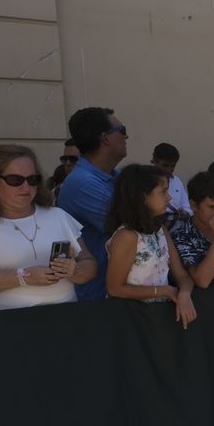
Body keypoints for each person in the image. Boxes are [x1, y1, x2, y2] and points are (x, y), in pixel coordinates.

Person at [0, 144, 97, 311]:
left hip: (64, 319)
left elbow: (89, 264)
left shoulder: (58, 216)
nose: (26, 187)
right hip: (6, 325)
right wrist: (23, 277)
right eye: (15, 180)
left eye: (33, 180)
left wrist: (74, 270)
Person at [104, 165, 197, 327]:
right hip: (130, 318)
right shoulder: (127, 236)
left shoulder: (160, 230)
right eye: (163, 192)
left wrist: (184, 293)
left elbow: (182, 275)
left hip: (157, 316)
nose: (169, 198)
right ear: (142, 197)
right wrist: (165, 291)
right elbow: (115, 288)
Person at [57, 106, 128, 299]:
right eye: (122, 131)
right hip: (97, 296)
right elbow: (135, 224)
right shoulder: (81, 183)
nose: (126, 137)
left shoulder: (116, 176)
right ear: (105, 138)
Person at [150, 142, 191, 218]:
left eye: (173, 166)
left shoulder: (177, 181)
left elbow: (188, 208)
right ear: (155, 160)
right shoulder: (145, 180)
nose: (169, 170)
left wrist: (184, 213)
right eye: (165, 165)